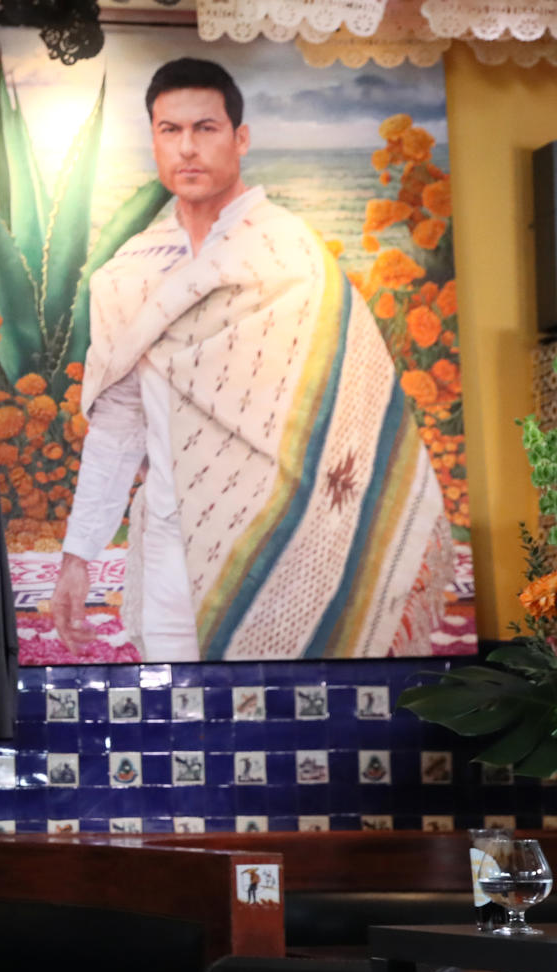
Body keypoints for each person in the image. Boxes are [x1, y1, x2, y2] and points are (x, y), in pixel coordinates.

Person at [50, 57, 454, 663]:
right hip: (171, 548)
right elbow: (119, 426)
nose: (187, 148)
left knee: (294, 736)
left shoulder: (293, 258)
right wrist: (78, 555)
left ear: (240, 138)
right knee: (183, 728)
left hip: (295, 545)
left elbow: (354, 406)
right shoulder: (126, 277)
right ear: (154, 141)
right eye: (170, 130)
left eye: (206, 128)